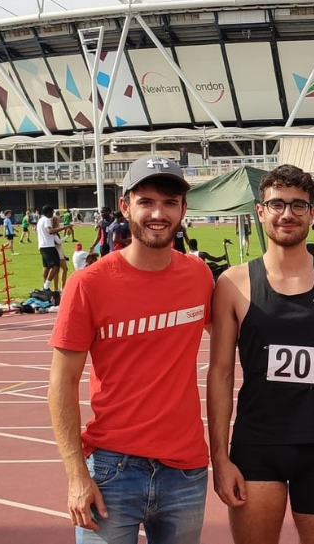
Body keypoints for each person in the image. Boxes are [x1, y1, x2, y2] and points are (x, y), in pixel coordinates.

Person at [47, 155, 213, 544]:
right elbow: (61, 383)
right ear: (125, 206)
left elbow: (235, 341)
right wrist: (76, 475)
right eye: (147, 202)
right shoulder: (89, 284)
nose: (159, 213)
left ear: (183, 210)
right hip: (111, 469)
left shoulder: (199, 275)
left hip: (185, 470)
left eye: (170, 203)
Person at [207, 165, 314, 544]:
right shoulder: (233, 283)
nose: (287, 214)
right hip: (256, 447)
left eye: (299, 206)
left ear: (312, 214)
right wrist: (220, 458)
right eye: (277, 204)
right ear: (260, 211)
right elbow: (220, 374)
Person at [38, 206, 71, 291]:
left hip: (42, 246)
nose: (52, 214)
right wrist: (65, 227)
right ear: (48, 212)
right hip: (48, 246)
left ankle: (45, 286)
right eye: (52, 212)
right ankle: (46, 286)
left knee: (46, 267)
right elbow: (50, 231)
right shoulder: (46, 220)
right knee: (55, 266)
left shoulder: (40, 220)